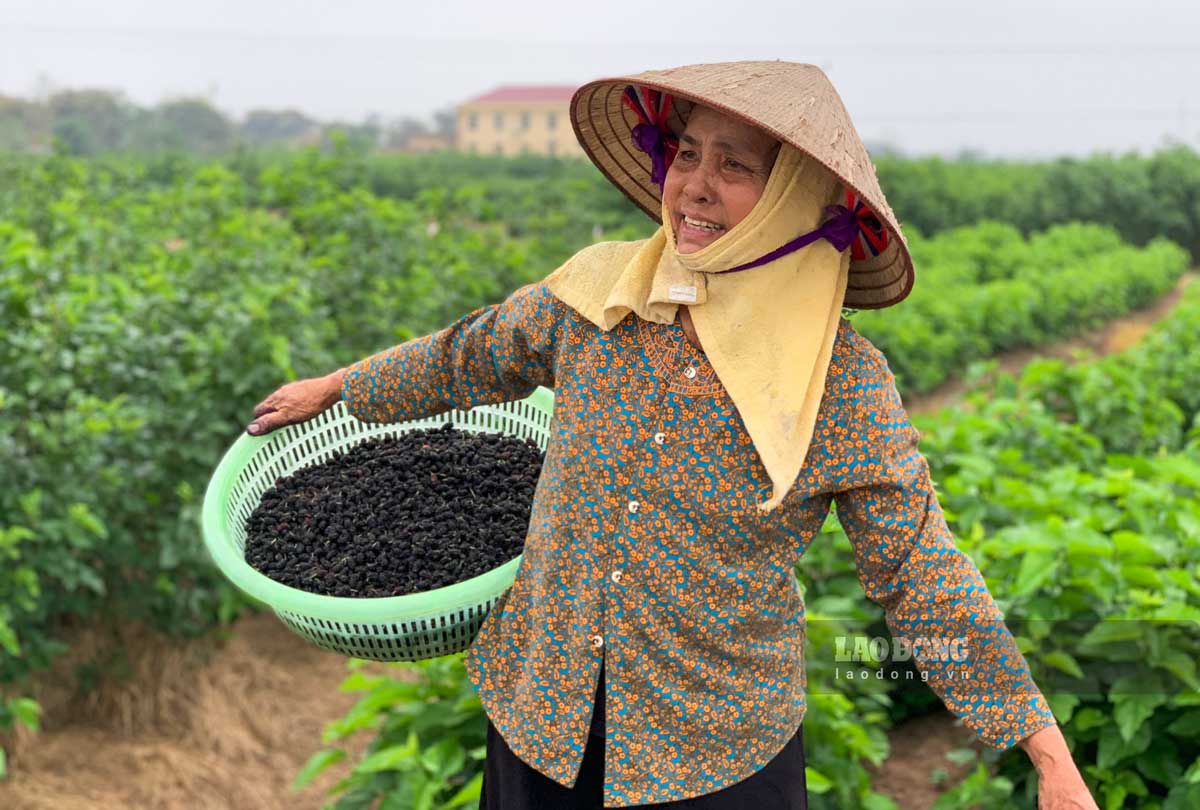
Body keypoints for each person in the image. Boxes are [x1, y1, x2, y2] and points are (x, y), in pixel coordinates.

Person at [247, 62, 1098, 810]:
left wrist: (1043, 751)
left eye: (736, 166)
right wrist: (342, 389)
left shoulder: (839, 381)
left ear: (795, 198)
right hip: (543, 715)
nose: (694, 185)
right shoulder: (598, 300)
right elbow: (472, 356)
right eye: (687, 153)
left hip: (713, 756)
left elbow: (918, 569)